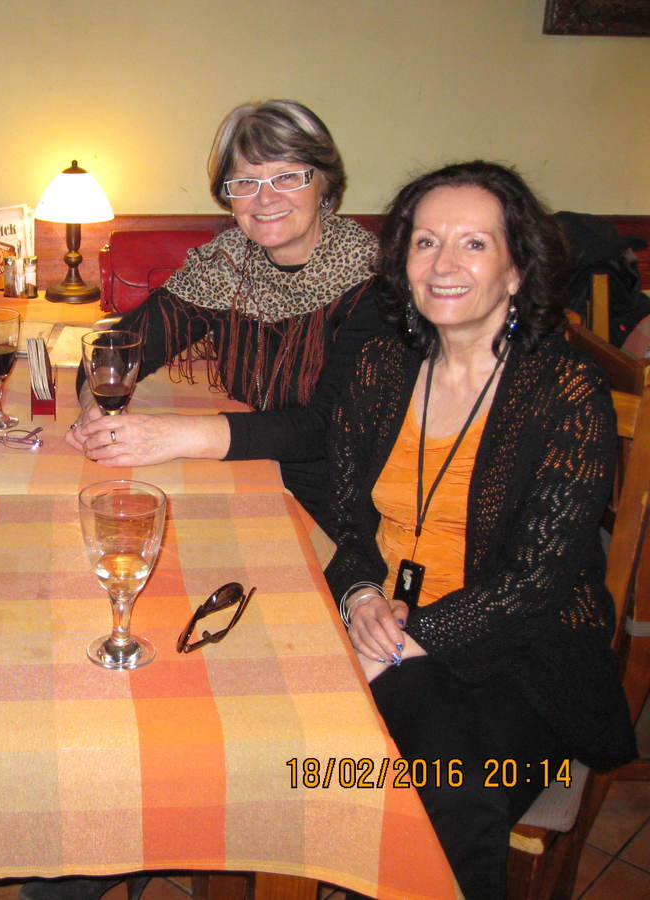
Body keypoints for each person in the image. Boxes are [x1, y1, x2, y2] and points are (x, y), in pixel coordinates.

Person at [324, 161, 636, 898]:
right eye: (425, 241)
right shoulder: (380, 366)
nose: (443, 265)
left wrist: (400, 644)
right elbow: (347, 518)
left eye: (474, 243)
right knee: (275, 738)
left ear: (517, 269)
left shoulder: (566, 392)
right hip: (387, 624)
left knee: (446, 787)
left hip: (526, 656)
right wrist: (361, 596)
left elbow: (533, 587)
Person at [65, 100, 382, 531]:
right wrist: (96, 406)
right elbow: (117, 347)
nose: (265, 198)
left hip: (338, 504)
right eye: (245, 182)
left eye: (288, 176)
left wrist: (173, 435)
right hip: (253, 475)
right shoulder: (228, 263)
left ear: (324, 184)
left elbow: (329, 426)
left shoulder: (372, 279)